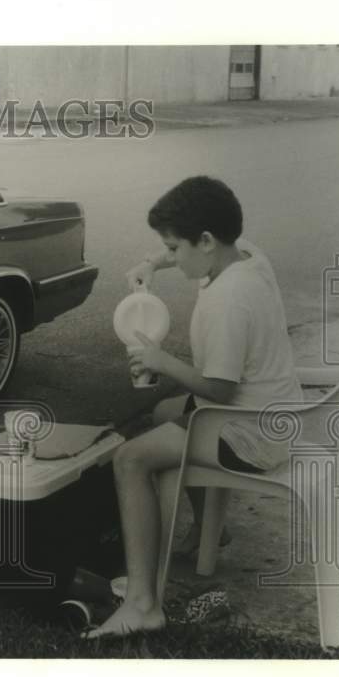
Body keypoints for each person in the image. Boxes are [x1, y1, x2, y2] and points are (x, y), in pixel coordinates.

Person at [86, 175, 302, 639]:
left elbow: (219, 390)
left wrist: (162, 360)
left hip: (247, 432)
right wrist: (152, 262)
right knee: (165, 413)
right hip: (276, 413)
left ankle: (143, 604)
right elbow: (189, 248)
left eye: (174, 248)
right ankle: (209, 529)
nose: (172, 257)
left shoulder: (229, 299)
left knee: (130, 459)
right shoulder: (246, 258)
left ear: (205, 241)